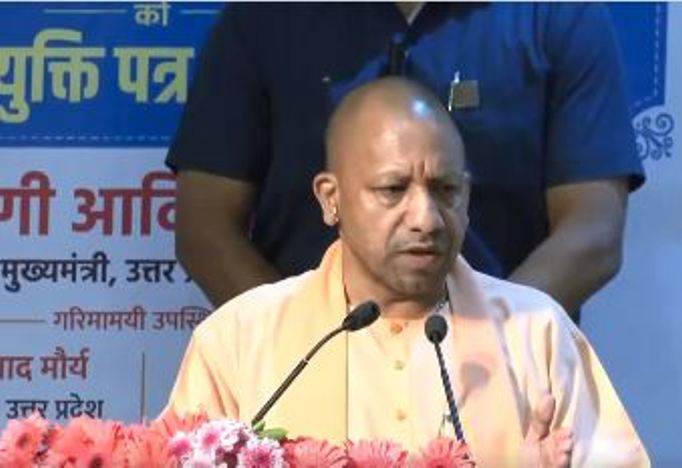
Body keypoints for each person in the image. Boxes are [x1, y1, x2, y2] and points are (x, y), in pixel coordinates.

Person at [165, 78, 649, 466]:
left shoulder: (537, 334)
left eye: (445, 190)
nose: (426, 219)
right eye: (393, 190)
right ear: (331, 199)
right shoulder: (240, 339)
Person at [167, 3, 644, 317]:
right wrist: (302, 346)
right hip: (305, 382)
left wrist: (493, 336)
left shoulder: (557, 15)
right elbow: (205, 228)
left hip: (499, 382)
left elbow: (593, 233)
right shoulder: (265, 18)